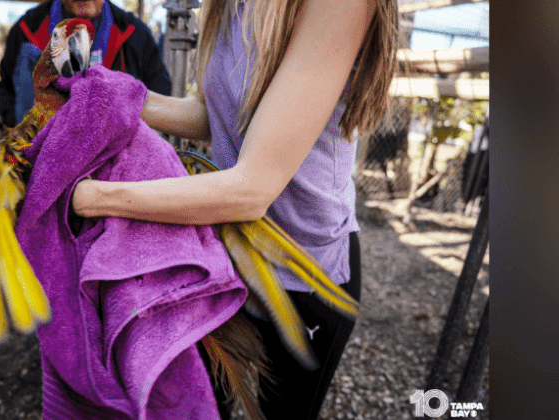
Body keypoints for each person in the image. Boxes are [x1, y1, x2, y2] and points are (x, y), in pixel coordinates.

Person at [71, 0, 399, 418]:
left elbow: (251, 189)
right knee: (204, 407)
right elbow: (210, 116)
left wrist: (91, 198)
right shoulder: (228, 5)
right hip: (232, 258)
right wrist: (113, 96)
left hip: (305, 271)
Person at [0, 0, 172, 128]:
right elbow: (5, 91)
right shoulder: (27, 29)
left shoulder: (135, 34)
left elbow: (161, 94)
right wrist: (21, 131)